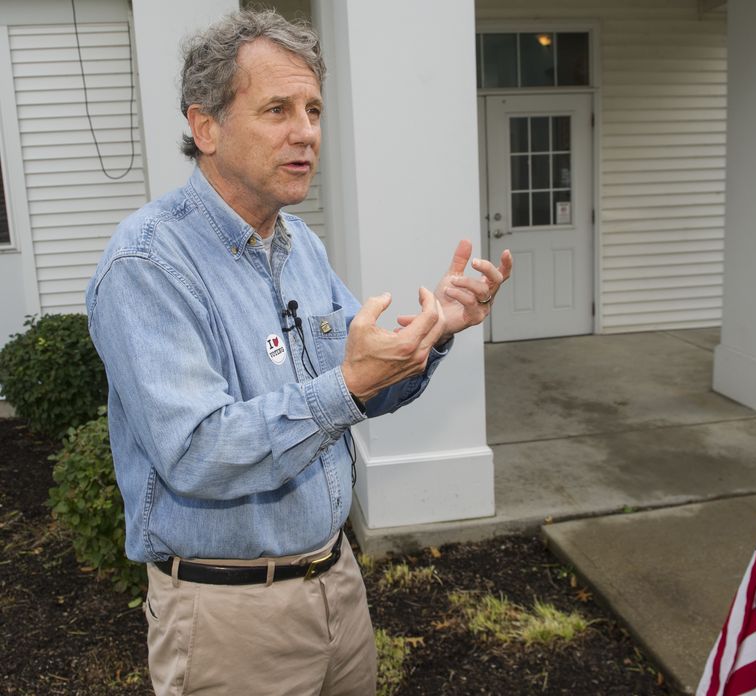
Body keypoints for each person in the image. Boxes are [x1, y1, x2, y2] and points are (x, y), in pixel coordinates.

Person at [85, 8, 511, 696]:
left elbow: (361, 383)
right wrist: (345, 385)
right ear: (206, 127)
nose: (306, 131)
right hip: (229, 619)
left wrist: (435, 333)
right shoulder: (148, 264)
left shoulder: (299, 244)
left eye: (312, 108)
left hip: (337, 584)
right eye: (277, 108)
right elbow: (197, 453)